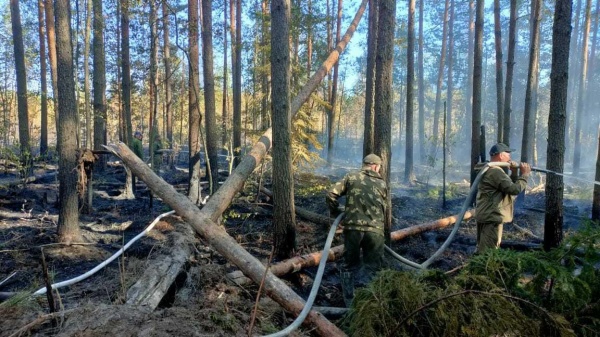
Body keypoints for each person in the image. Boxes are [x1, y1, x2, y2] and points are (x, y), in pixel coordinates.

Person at [326, 153, 387, 306]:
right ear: (374, 166)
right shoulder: (382, 184)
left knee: (349, 266)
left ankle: (348, 302)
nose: (378, 171)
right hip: (375, 231)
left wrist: (336, 212)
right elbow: (384, 209)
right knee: (374, 268)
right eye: (379, 168)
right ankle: (371, 304)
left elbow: (331, 193)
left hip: (353, 229)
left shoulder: (351, 177)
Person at [475, 143, 531, 253]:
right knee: (489, 252)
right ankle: (486, 270)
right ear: (500, 155)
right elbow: (514, 190)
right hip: (492, 216)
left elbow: (505, 186)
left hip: (486, 214)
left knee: (483, 247)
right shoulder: (495, 171)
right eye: (508, 154)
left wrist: (514, 172)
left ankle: (478, 268)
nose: (510, 157)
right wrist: (524, 175)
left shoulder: (489, 169)